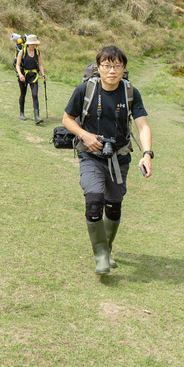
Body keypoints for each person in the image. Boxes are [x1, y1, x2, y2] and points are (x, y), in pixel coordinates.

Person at [61, 46, 153, 275]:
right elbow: (67, 119)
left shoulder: (130, 93)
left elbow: (143, 126)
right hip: (91, 155)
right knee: (94, 200)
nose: (112, 70)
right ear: (98, 67)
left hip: (119, 157)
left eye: (117, 65)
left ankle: (108, 248)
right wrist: (85, 135)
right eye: (106, 65)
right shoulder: (85, 90)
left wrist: (147, 154)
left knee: (114, 205)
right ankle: (101, 255)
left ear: (124, 68)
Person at [16, 34, 47, 124]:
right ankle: (22, 113)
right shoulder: (22, 52)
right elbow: (18, 65)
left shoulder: (37, 53)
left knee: (35, 95)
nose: (33, 46)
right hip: (23, 76)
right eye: (31, 44)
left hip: (34, 76)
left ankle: (37, 117)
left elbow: (40, 64)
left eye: (34, 44)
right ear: (28, 44)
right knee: (23, 94)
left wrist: (43, 75)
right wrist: (20, 75)